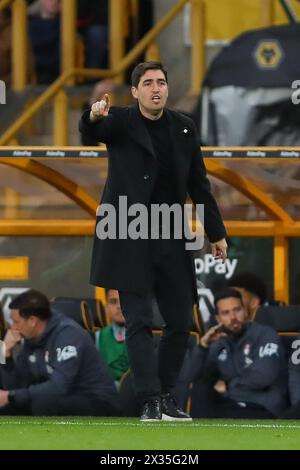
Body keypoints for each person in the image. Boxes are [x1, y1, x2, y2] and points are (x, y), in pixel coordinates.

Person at [79, 61, 227, 421]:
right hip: (128, 233)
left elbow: (199, 186)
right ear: (135, 92)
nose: (156, 88)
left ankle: (165, 396)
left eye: (161, 81)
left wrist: (217, 232)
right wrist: (93, 114)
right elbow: (89, 131)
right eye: (147, 83)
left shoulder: (185, 128)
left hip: (171, 234)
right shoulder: (121, 121)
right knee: (139, 320)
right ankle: (149, 401)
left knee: (180, 320)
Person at [0, 289, 120, 416]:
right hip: (63, 399)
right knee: (10, 405)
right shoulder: (31, 339)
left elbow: (59, 387)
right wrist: (6, 355)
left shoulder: (68, 334)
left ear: (32, 321)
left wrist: (11, 395)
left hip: (97, 401)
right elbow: (17, 388)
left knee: (43, 402)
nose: (13, 328)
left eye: (16, 322)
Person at [188, 288, 287, 418]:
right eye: (226, 313)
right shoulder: (219, 341)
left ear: (246, 311)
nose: (233, 317)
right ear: (218, 318)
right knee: (200, 388)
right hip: (231, 404)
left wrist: (228, 386)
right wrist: (203, 346)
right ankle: (196, 434)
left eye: (237, 310)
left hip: (261, 407)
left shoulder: (265, 334)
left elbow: (263, 377)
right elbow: (192, 377)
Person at [95, 289, 129, 386]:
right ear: (106, 307)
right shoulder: (98, 337)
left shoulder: (143, 337)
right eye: (113, 302)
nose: (119, 306)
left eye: (123, 301)